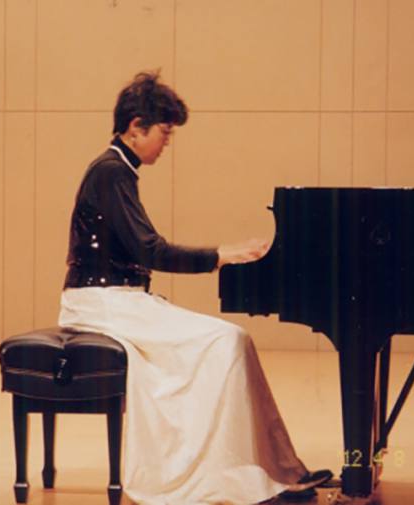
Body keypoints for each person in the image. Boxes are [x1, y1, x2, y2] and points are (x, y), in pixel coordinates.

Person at [58, 71, 331, 505]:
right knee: (226, 341)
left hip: (118, 300)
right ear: (136, 127)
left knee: (231, 341)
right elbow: (151, 251)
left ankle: (277, 469)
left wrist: (222, 255)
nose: (166, 144)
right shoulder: (110, 173)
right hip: (99, 303)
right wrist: (221, 254)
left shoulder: (117, 171)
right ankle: (239, 477)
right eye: (164, 134)